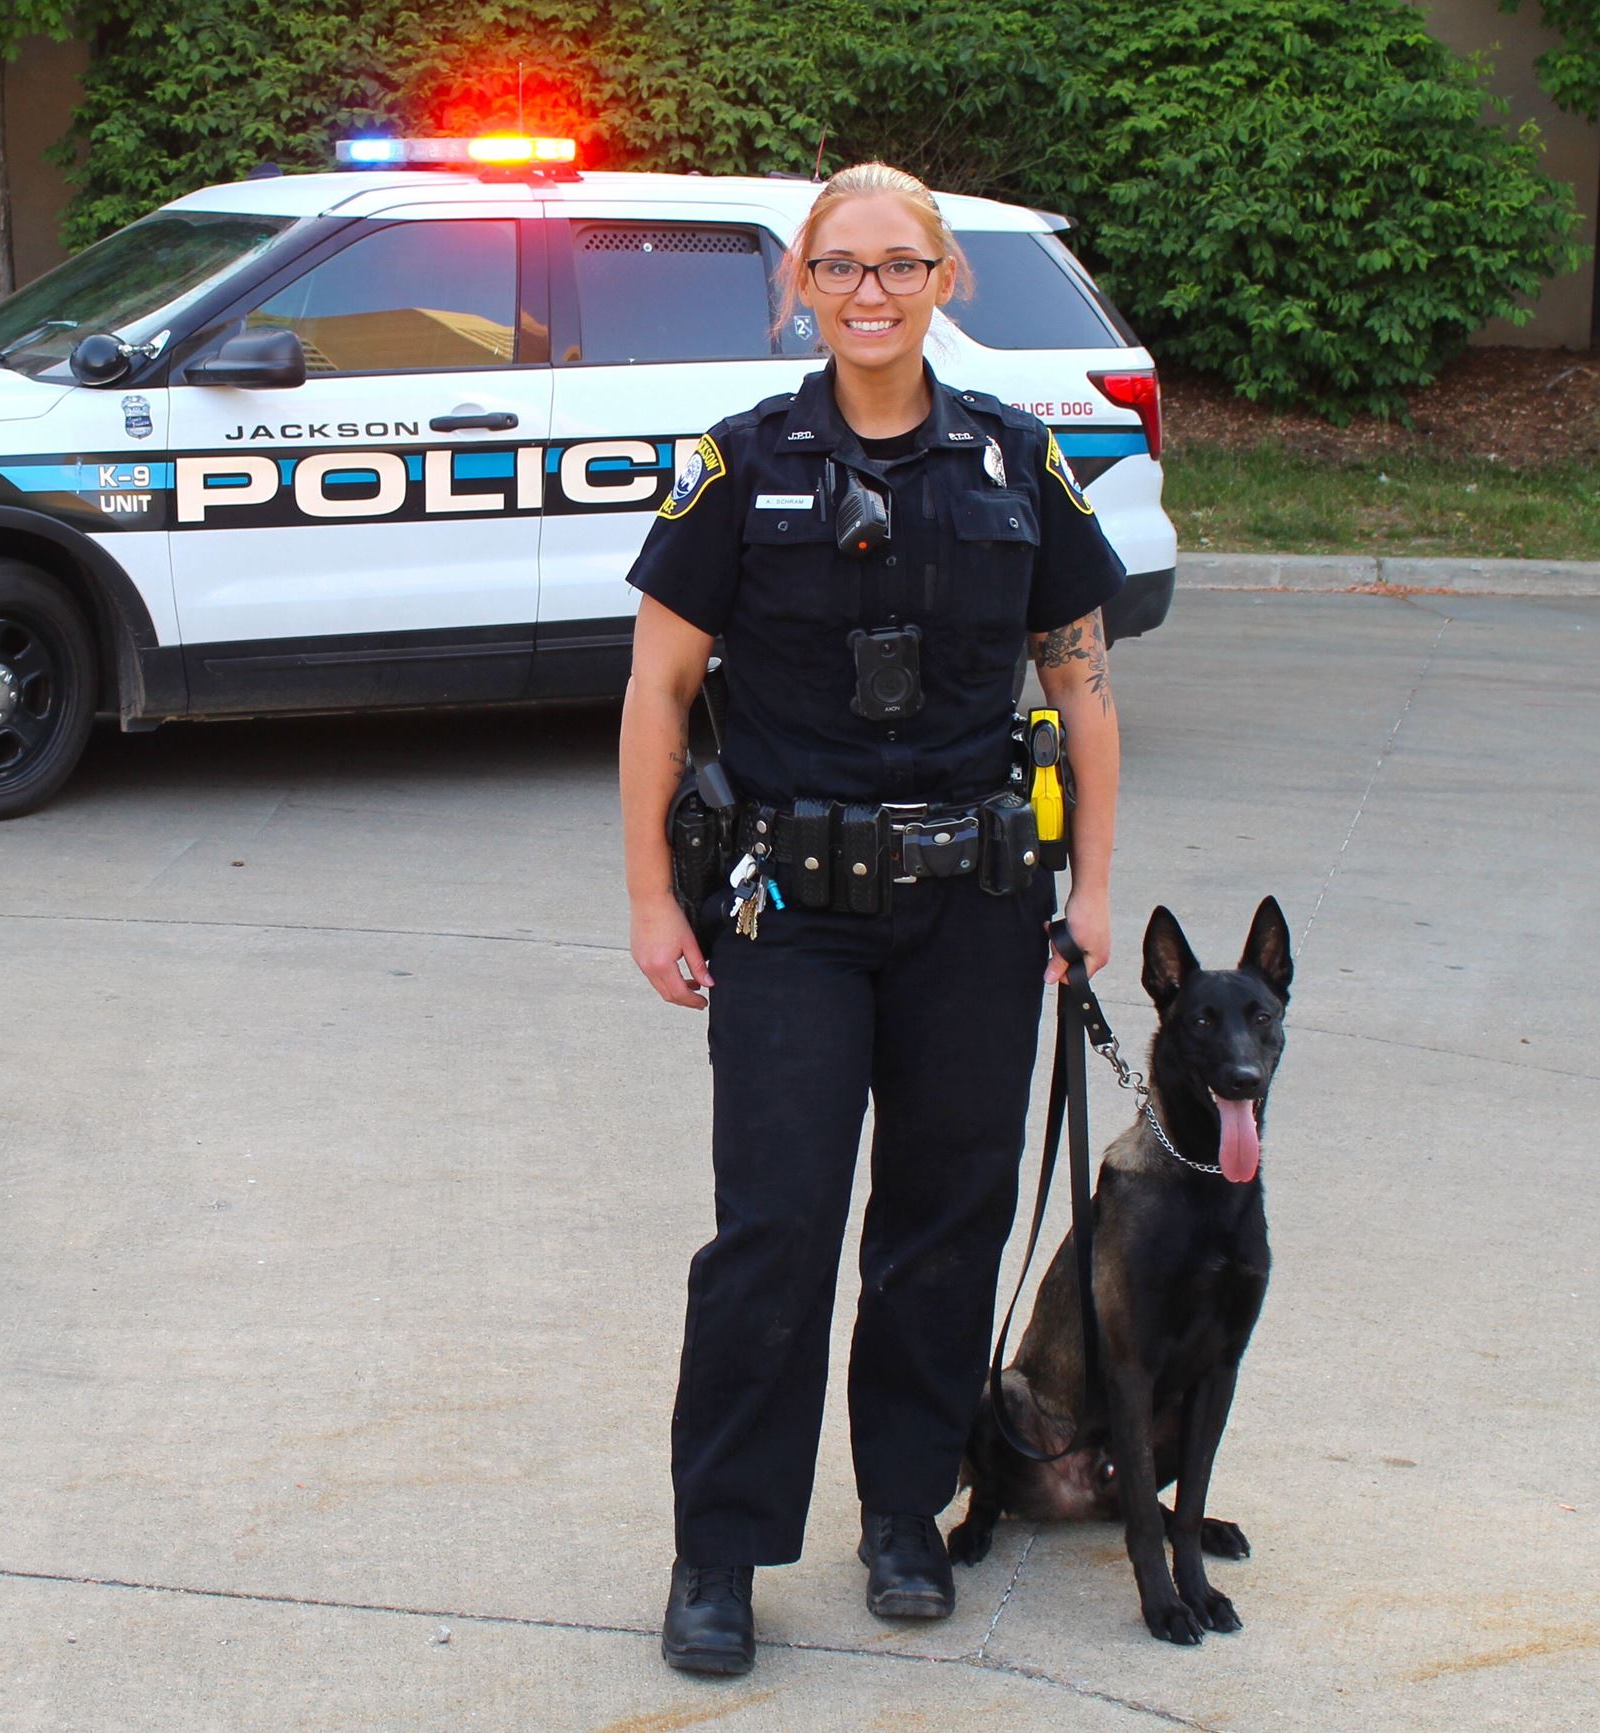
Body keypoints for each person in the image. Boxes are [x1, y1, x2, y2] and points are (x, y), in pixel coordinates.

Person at [616, 162, 1125, 1676]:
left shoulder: (1017, 465)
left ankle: (907, 1509)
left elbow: (1082, 691)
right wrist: (651, 893)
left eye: (899, 266)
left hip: (976, 909)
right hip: (793, 915)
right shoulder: (739, 466)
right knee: (772, 1230)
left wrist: (1091, 887)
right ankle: (719, 1549)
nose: (869, 293)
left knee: (941, 1222)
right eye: (839, 268)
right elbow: (656, 692)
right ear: (801, 288)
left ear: (943, 279)